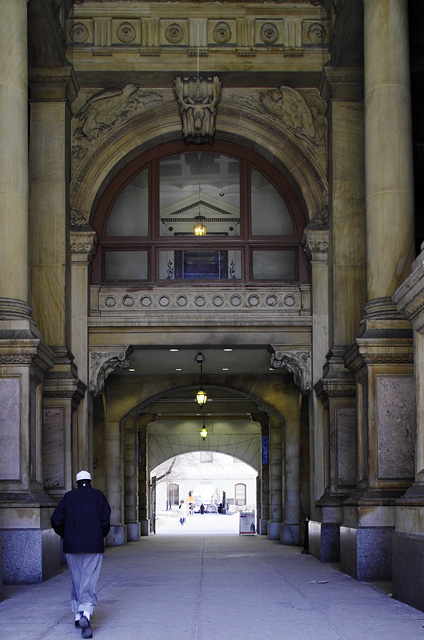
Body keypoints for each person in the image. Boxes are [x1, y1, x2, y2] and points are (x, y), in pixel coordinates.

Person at [51, 471, 111, 639]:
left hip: (72, 545)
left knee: (77, 579)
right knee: (89, 579)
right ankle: (86, 612)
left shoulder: (69, 497)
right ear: (90, 481)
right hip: (93, 545)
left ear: (76, 482)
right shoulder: (99, 496)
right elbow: (105, 521)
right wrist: (99, 535)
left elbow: (55, 520)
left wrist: (67, 535)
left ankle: (77, 615)